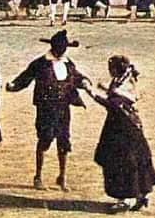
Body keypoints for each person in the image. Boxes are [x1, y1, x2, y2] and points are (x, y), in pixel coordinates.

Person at [6, 30, 91, 191]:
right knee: (45, 140)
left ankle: (62, 176)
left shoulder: (68, 63)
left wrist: (85, 81)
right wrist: (14, 86)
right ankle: (38, 176)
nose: (62, 51)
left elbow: (76, 77)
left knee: (64, 141)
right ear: (53, 48)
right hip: (46, 108)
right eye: (60, 49)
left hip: (63, 108)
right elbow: (25, 77)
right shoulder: (40, 64)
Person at [83, 55, 155, 213]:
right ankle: (140, 195)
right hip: (129, 126)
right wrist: (104, 89)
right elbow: (117, 95)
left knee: (122, 161)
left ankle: (127, 198)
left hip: (121, 129)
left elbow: (111, 103)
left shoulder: (123, 85)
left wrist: (90, 91)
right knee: (136, 159)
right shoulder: (125, 79)